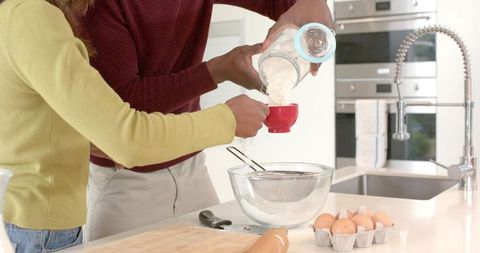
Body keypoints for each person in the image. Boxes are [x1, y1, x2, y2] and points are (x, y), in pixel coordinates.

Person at [0, 0, 269, 252]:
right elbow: (129, 140)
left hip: (28, 221)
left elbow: (31, 122)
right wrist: (228, 118)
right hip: (39, 228)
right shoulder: (33, 17)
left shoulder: (15, 14)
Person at [82, 0, 334, 241]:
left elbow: (282, 4)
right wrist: (217, 71)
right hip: (126, 180)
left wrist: (314, 3)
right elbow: (123, 106)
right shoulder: (98, 5)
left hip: (192, 166)